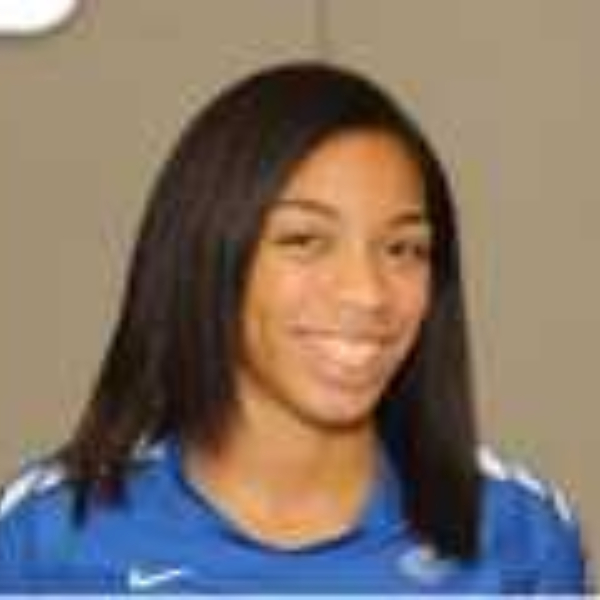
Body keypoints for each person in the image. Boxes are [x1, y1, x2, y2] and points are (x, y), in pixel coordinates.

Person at [0, 61, 590, 593]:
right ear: (207, 256)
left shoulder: (519, 534)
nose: (367, 292)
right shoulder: (48, 536)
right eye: (304, 240)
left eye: (403, 248)